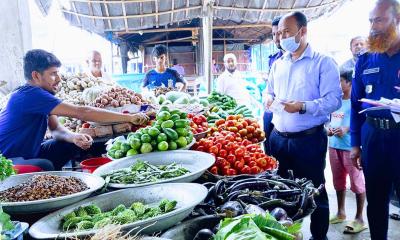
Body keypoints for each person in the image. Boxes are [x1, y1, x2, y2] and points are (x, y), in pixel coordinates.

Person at [0, 49, 148, 171]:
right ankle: (46, 187)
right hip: (8, 160)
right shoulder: (30, 95)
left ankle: (51, 181)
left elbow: (56, 129)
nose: (59, 78)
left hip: (28, 154)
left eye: (58, 73)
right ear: (36, 75)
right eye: (53, 73)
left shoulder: (40, 96)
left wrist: (74, 137)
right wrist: (128, 117)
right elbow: (82, 112)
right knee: (44, 166)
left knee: (69, 144)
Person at [265, 12, 342, 240]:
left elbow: (333, 100)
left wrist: (302, 106)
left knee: (315, 190)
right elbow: (268, 91)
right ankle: (289, 233)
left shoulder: (323, 63)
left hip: (308, 140)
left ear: (303, 31)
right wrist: (268, 99)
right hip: (278, 137)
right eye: (279, 33)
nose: (281, 37)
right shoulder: (279, 64)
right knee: (281, 190)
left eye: (286, 32)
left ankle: (319, 236)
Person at [350, 0, 400, 239]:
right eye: (371, 20)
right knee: (377, 201)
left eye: (379, 20)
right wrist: (355, 144)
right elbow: (355, 103)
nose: (373, 27)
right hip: (373, 139)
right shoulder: (366, 59)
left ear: (397, 19)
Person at [327, 70, 367, 234]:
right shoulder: (335, 102)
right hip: (333, 145)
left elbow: (363, 122)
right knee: (338, 181)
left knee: (357, 183)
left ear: (350, 83)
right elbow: (330, 120)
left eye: (340, 81)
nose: (337, 85)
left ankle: (359, 218)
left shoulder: (356, 102)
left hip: (350, 148)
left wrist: (347, 128)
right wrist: (329, 129)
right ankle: (341, 212)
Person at [263, 16, 284, 155]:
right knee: (269, 146)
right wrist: (268, 96)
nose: (276, 38)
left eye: (280, 33)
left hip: (289, 112)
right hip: (272, 110)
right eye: (274, 34)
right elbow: (269, 88)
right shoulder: (274, 59)